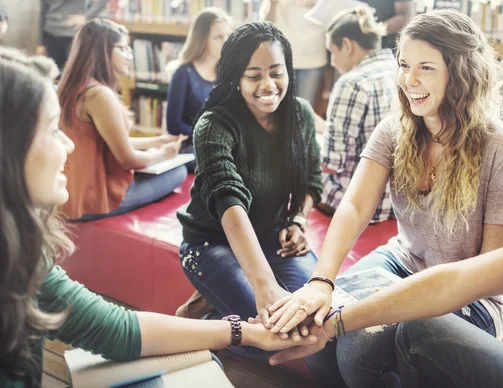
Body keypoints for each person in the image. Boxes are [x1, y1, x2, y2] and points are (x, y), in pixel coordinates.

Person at [267, 12, 503, 388]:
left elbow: (479, 278)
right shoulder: (395, 130)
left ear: (459, 75)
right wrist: (321, 282)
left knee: (360, 347)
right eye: (404, 65)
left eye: (425, 67)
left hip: (473, 295)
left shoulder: (498, 146)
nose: (410, 79)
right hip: (407, 261)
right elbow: (355, 207)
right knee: (324, 334)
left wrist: (367, 311)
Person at [0, 54, 318, 387]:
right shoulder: (216, 124)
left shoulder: (24, 258)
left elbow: (115, 330)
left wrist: (244, 331)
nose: (68, 144)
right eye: (53, 129)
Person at [176, 21, 323, 365]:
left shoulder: (299, 114)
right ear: (235, 78)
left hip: (271, 236)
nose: (268, 85)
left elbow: (312, 181)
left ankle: (210, 299)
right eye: (253, 75)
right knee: (271, 337)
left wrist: (297, 221)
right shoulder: (214, 124)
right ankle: (193, 320)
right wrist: (264, 287)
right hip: (210, 243)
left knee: (313, 316)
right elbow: (230, 202)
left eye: (276, 72)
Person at [58, 19, 188, 221]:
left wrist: (155, 141)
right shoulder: (99, 95)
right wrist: (164, 154)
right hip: (93, 199)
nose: (130, 56)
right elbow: (128, 160)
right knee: (179, 171)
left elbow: (107, 141)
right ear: (103, 50)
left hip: (71, 192)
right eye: (124, 49)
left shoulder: (73, 87)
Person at [319, 6, 397, 223]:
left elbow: (331, 163)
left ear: (346, 45)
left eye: (331, 52)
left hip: (360, 205)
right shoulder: (398, 70)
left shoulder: (352, 83)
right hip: (399, 204)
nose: (332, 61)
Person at [166, 7, 232, 172]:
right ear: (202, 39)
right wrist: (210, 135)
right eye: (218, 37)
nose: (225, 42)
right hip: (191, 148)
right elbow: (174, 125)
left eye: (227, 36)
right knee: (221, 165)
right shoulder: (183, 73)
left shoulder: (226, 74)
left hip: (220, 145)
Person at [260, 0, 328, 107]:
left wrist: (316, 4)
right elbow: (267, 25)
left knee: (304, 109)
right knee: (280, 107)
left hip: (313, 57)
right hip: (283, 58)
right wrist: (273, 3)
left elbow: (332, 13)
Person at [38, 0, 108, 70]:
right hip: (50, 31)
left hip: (72, 33)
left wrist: (87, 17)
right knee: (55, 72)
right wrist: (40, 41)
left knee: (76, 71)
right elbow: (42, 8)